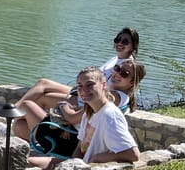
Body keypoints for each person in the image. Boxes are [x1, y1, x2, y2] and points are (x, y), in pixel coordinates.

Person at [7, 27, 140, 115]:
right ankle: (14, 112)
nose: (120, 43)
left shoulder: (127, 66)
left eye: (125, 41)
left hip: (87, 96)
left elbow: (110, 92)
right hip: (83, 90)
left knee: (43, 93)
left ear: (133, 46)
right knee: (43, 84)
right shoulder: (116, 59)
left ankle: (12, 114)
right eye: (118, 39)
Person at [30, 65, 141, 170]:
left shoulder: (109, 115)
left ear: (103, 85)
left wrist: (97, 158)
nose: (84, 90)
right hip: (80, 164)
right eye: (80, 86)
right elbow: (79, 148)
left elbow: (133, 154)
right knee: (28, 162)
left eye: (90, 85)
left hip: (90, 167)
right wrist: (71, 166)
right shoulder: (89, 112)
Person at [11, 58, 146, 142]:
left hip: (70, 139)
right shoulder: (118, 96)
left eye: (124, 73)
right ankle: (14, 124)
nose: (117, 73)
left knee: (27, 105)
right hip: (69, 134)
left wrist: (64, 106)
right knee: (19, 126)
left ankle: (9, 116)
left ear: (132, 82)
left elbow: (72, 118)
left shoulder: (112, 97)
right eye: (117, 68)